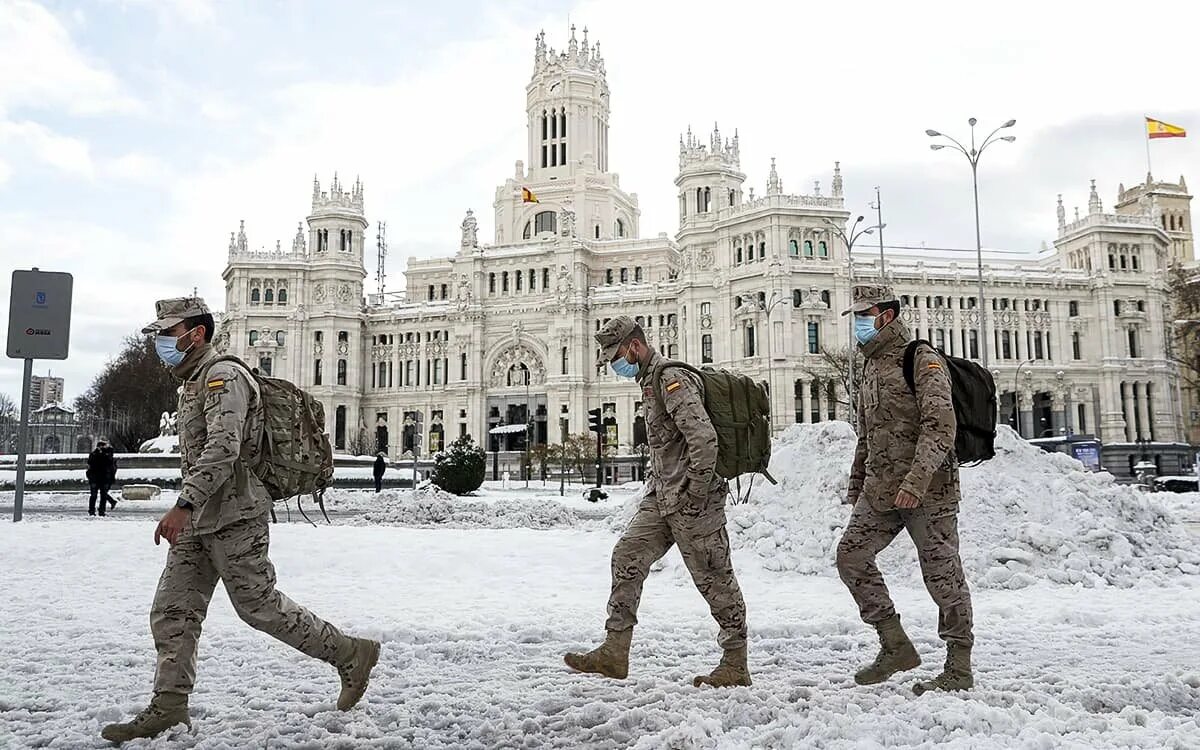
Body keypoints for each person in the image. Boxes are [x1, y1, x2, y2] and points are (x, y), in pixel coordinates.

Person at [101, 297, 381, 743]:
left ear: (197, 333)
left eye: (168, 333)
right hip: (199, 523)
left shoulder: (222, 376)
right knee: (173, 611)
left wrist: (184, 504)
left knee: (260, 608)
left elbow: (223, 448)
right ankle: (170, 708)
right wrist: (191, 510)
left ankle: (350, 654)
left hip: (234, 516)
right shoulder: (191, 382)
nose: (161, 342)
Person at [564, 316, 750, 688]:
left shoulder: (670, 379)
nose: (614, 364)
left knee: (714, 579)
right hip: (663, 497)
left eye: (616, 355)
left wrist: (696, 492)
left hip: (693, 500)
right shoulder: (649, 382)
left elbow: (704, 438)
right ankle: (615, 650)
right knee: (627, 555)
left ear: (634, 346)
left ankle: (735, 663)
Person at [837, 283, 974, 695]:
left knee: (942, 573)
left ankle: (958, 667)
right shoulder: (869, 366)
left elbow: (940, 425)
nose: (859, 323)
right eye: (856, 316)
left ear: (888, 315)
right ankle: (895, 645)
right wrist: (858, 481)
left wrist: (916, 482)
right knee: (851, 557)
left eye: (866, 314)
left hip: (928, 491)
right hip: (881, 491)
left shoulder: (921, 359)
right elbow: (867, 432)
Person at [86, 439, 116, 516]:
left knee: (102, 495)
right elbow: (91, 465)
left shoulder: (107, 454)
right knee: (95, 495)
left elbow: (110, 464)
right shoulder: (94, 454)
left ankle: (100, 511)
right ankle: (93, 511)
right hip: (97, 478)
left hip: (102, 478)